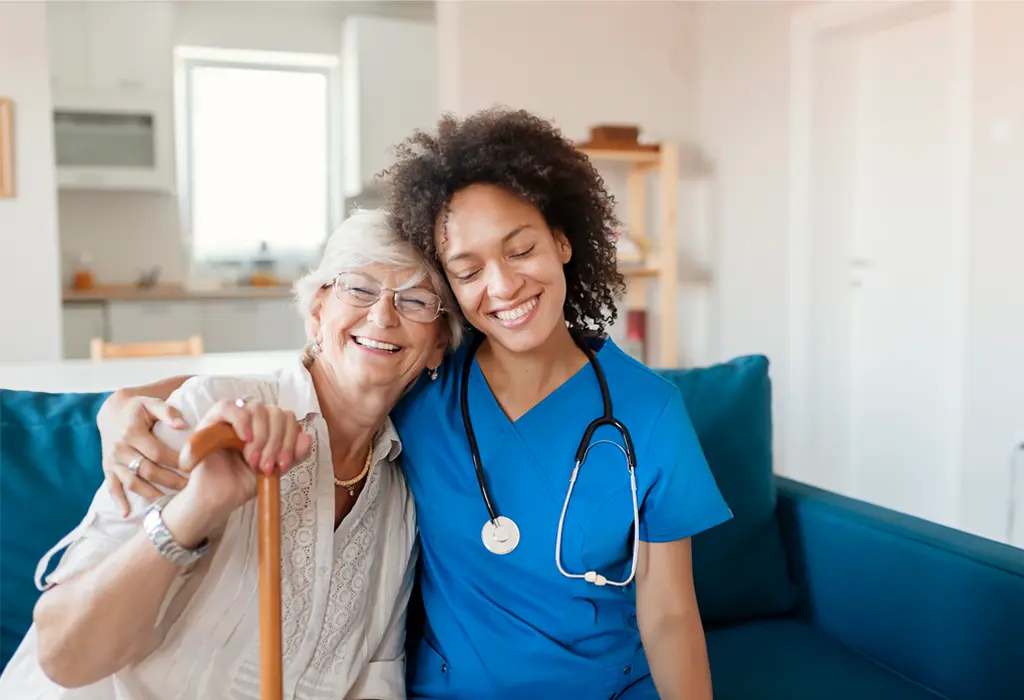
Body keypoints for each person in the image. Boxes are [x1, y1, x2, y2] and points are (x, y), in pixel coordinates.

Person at [92, 108, 733, 699]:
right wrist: (121, 402)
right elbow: (296, 377)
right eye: (468, 268)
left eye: (521, 249)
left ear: (562, 241)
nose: (503, 285)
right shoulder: (425, 382)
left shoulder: (650, 413)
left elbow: (670, 613)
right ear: (450, 286)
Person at [0, 208, 460, 700]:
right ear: (317, 313)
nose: (383, 315)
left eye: (415, 300)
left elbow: (374, 681)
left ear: (438, 345)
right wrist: (197, 507)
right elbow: (63, 656)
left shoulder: (402, 496)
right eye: (359, 288)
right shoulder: (204, 413)